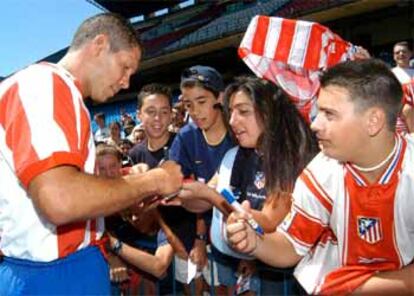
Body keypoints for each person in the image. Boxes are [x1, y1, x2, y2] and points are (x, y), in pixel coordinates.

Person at [0, 13, 183, 295]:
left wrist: (123, 176)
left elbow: (56, 181)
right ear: (99, 45)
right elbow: (59, 198)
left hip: (67, 266)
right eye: (124, 67)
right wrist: (155, 180)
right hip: (52, 275)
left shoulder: (63, 94)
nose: (125, 82)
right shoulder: (44, 85)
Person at [226, 59, 414, 295]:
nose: (315, 124)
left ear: (373, 121)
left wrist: (356, 288)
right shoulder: (322, 172)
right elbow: (290, 246)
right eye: (318, 111)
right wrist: (255, 242)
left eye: (329, 114)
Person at [177, 76, 317, 295]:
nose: (232, 121)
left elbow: (268, 222)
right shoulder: (239, 155)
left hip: (291, 277)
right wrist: (175, 191)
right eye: (231, 111)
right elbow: (200, 202)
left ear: (269, 113)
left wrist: (211, 196)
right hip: (259, 264)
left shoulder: (291, 157)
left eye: (243, 111)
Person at [168, 65, 235, 294]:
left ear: (220, 96)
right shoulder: (187, 137)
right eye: (188, 105)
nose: (195, 111)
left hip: (243, 225)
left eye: (202, 101)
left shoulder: (238, 132)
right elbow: (173, 178)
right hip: (206, 229)